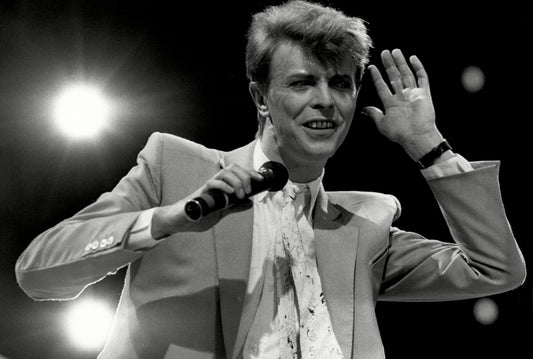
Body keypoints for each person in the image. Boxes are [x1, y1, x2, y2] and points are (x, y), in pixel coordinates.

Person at [15, 1, 526, 358]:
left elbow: (495, 271)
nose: (326, 99)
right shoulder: (177, 169)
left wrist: (429, 147)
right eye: (303, 82)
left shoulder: (364, 227)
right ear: (261, 97)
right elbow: (39, 273)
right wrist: (165, 221)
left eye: (340, 84)